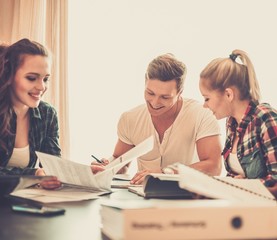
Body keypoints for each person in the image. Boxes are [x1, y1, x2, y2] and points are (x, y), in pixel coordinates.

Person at [93, 53, 222, 184]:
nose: (155, 103)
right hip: (143, 198)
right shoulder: (130, 119)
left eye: (165, 97)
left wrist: (166, 173)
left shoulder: (202, 115)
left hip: (188, 198)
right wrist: (106, 166)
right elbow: (122, 163)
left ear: (180, 92)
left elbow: (214, 167)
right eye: (150, 93)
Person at [199, 49, 277, 199]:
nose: (204, 106)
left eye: (207, 98)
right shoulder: (232, 124)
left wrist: (244, 185)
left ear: (229, 94)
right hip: (244, 208)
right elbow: (238, 177)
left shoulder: (265, 118)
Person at [0, 38, 61, 189]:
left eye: (46, 79)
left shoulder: (48, 114)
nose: (41, 87)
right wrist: (33, 174)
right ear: (9, 76)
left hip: (23, 203)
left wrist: (85, 175)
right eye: (32, 78)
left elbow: (53, 166)